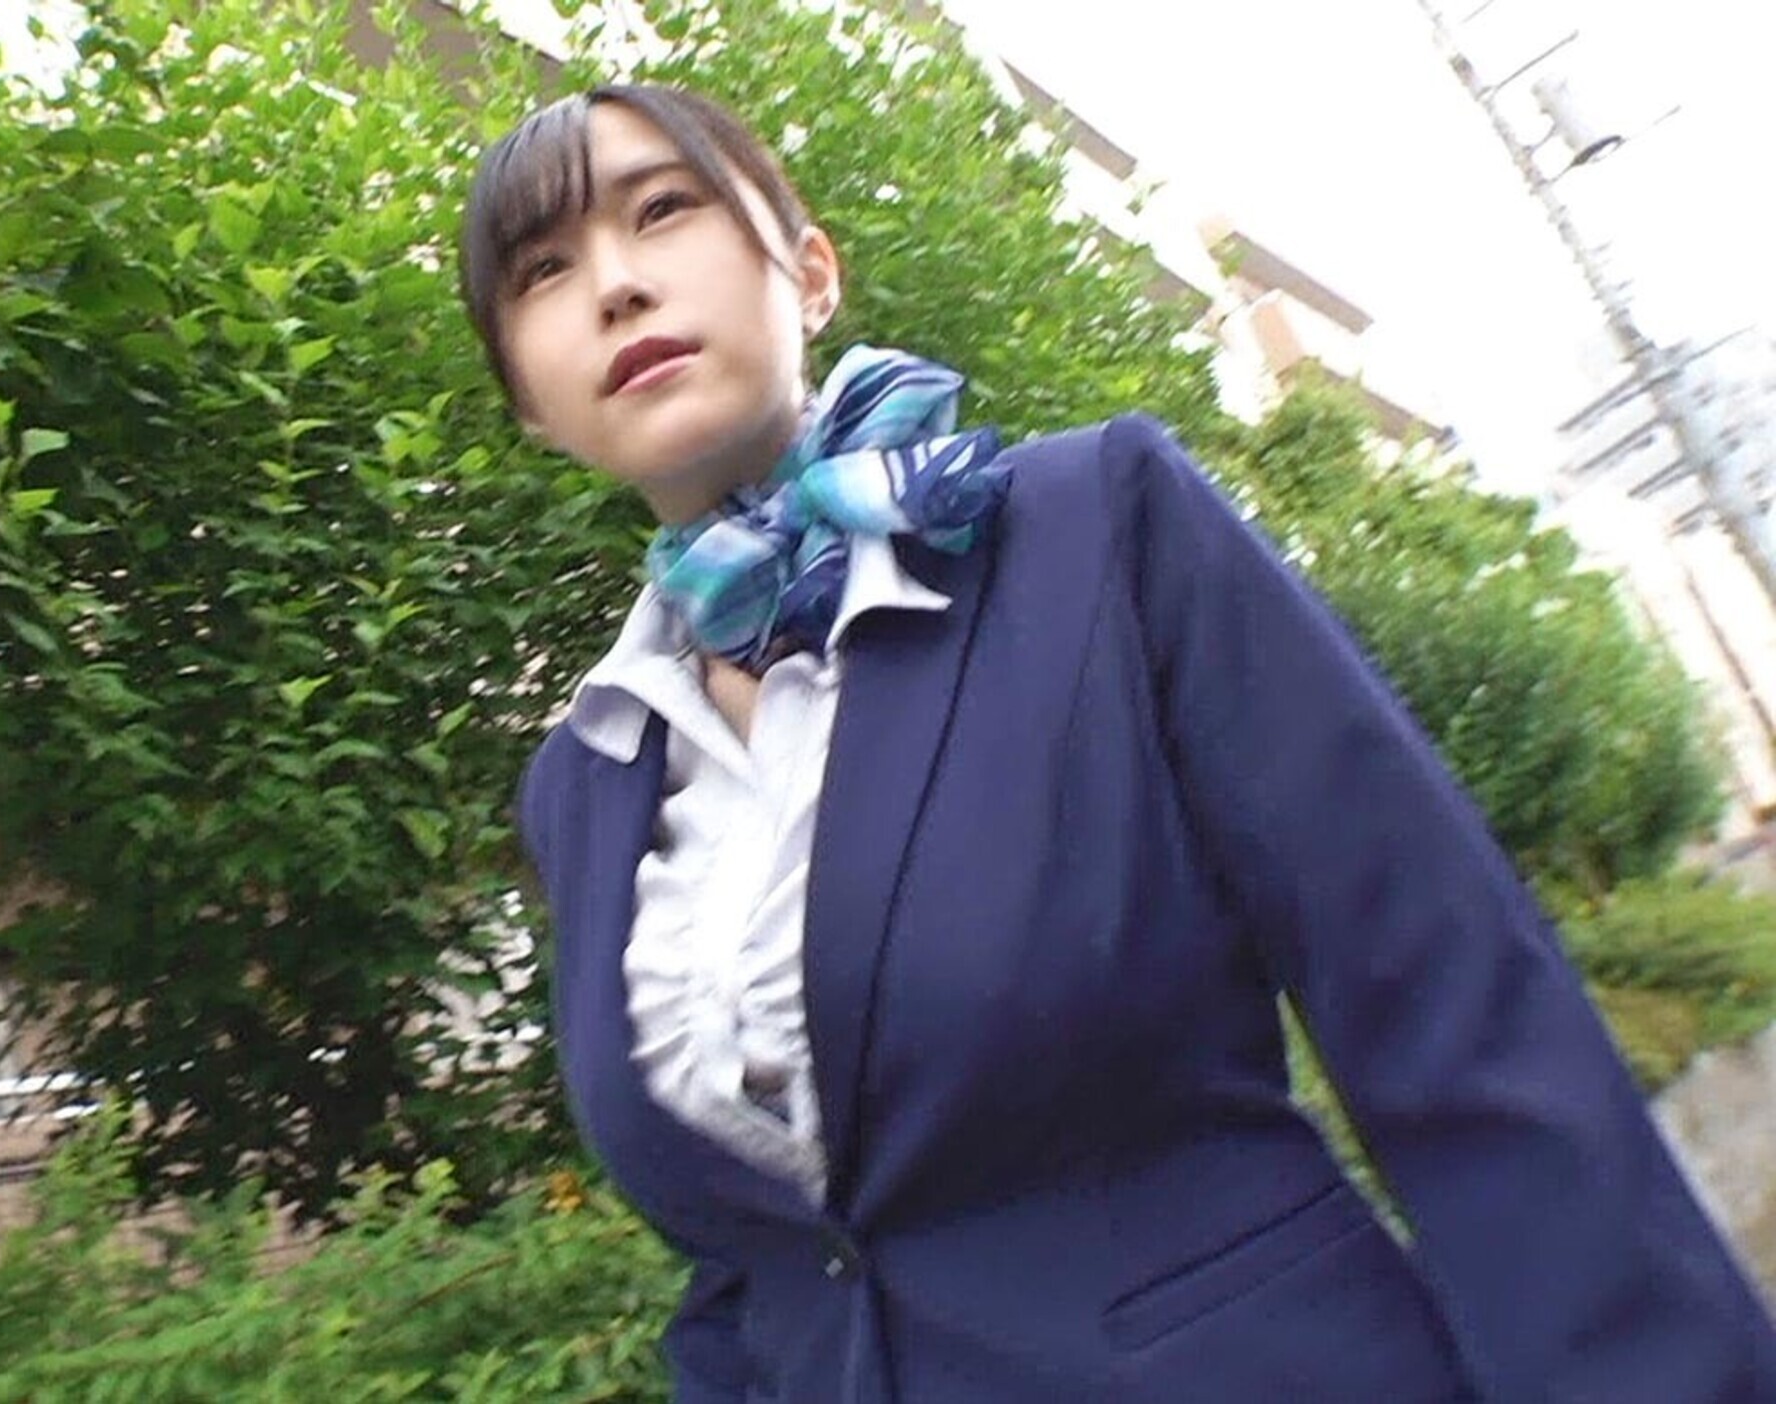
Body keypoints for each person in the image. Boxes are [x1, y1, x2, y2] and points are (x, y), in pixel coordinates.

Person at [458, 83, 1776, 1402]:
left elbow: (1447, 1006)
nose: (615, 285)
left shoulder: (1095, 530)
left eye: (663, 209)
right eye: (542, 272)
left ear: (808, 275)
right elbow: (745, 1274)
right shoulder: (588, 778)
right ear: (529, 404)